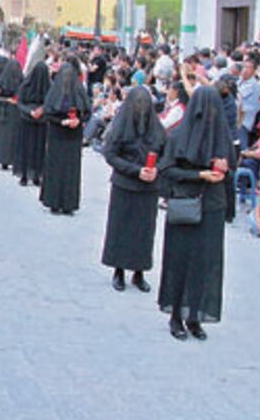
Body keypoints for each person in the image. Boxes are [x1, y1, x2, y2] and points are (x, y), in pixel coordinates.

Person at [157, 86, 232, 341]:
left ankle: (195, 315)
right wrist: (199, 174)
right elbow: (166, 169)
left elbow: (229, 173)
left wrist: (225, 170)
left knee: (204, 263)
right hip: (186, 203)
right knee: (181, 261)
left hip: (212, 206)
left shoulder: (223, 140)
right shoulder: (178, 137)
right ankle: (176, 314)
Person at [100, 87, 166, 292]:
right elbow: (111, 154)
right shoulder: (121, 126)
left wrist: (157, 170)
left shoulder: (157, 129)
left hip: (148, 188)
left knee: (143, 232)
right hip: (125, 184)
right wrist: (135, 170)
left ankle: (139, 272)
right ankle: (118, 270)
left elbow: (166, 154)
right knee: (120, 228)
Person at [39, 62, 91, 214]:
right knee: (56, 168)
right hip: (57, 134)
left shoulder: (79, 92)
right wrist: (61, 121)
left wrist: (78, 121)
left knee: (71, 170)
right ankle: (53, 201)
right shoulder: (55, 92)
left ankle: (69, 203)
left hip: (73, 137)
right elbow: (48, 112)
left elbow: (87, 111)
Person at [14, 61, 51, 187]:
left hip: (27, 119)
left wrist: (30, 111)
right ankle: (36, 175)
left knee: (26, 148)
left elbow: (19, 102)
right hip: (40, 121)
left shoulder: (26, 85)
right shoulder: (49, 87)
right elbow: (51, 103)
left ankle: (25, 175)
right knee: (38, 149)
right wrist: (41, 110)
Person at [0, 57, 23, 170]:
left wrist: (6, 100)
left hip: (6, 112)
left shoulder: (2, 80)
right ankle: (9, 160)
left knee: (6, 138)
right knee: (10, 137)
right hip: (12, 111)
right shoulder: (21, 80)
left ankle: (5, 160)